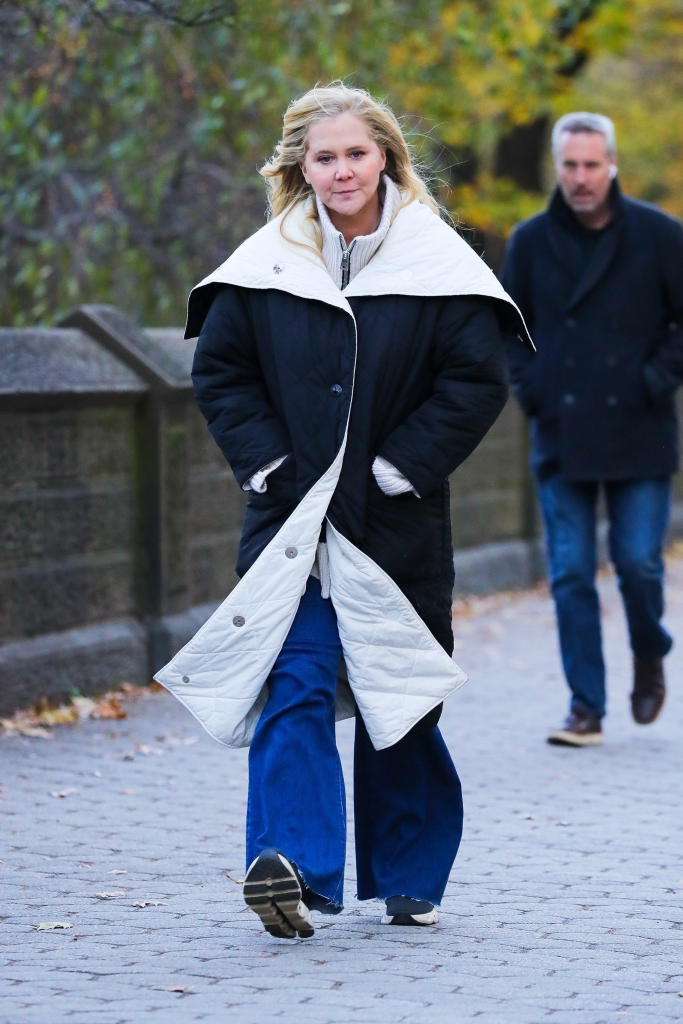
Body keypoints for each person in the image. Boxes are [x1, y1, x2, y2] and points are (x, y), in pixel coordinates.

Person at [155, 84, 529, 938]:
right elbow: (222, 374)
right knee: (292, 681)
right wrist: (270, 466)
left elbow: (475, 382)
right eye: (322, 157)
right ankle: (289, 864)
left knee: (399, 701)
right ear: (299, 167)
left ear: (385, 157)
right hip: (293, 523)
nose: (340, 171)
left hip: (394, 526)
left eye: (355, 153)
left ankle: (407, 871)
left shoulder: (437, 262)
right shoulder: (266, 264)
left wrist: (400, 470)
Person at [502, 112, 683, 747]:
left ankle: (650, 649)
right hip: (563, 426)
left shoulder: (660, 236)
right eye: (570, 166)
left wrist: (651, 381)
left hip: (639, 426)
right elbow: (509, 329)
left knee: (637, 563)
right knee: (573, 571)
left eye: (592, 165)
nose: (581, 178)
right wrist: (534, 392)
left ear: (612, 165)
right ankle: (586, 707)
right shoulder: (529, 241)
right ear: (558, 168)